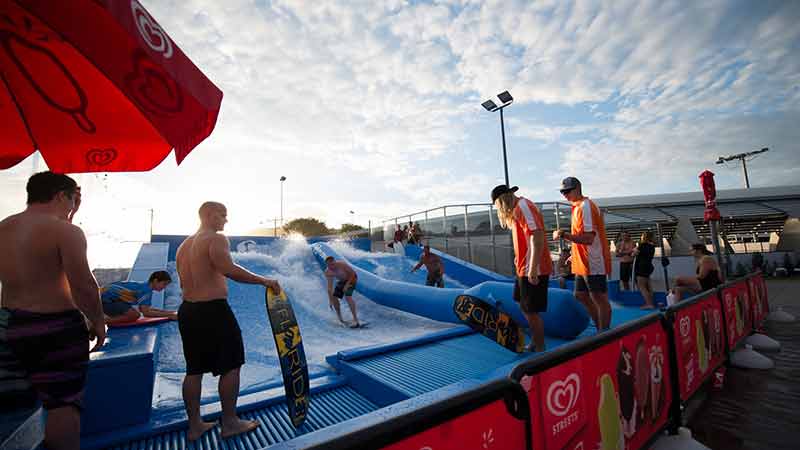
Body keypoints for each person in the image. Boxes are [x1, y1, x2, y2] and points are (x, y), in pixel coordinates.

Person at [0, 171, 105, 450]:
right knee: (63, 404)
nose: (73, 206)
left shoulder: (4, 226)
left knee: (13, 408)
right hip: (55, 328)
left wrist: (68, 216)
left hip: (8, 323)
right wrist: (98, 322)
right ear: (61, 195)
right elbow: (83, 285)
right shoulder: (66, 232)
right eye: (72, 199)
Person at [175, 201, 281, 442]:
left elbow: (184, 282)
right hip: (213, 310)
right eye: (223, 215)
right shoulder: (215, 238)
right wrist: (264, 281)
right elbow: (228, 269)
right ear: (210, 216)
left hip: (188, 311)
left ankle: (195, 426)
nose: (225, 220)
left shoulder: (184, 245)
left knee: (194, 369)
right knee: (231, 364)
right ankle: (230, 423)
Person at [492, 185, 552, 352]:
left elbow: (537, 235)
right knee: (524, 306)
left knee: (531, 310)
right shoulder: (518, 209)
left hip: (533, 268)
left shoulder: (523, 207)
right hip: (524, 268)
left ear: (502, 201)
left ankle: (540, 347)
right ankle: (535, 342)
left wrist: (532, 268)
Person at [553, 177, 613, 332]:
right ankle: (601, 327)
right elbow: (585, 237)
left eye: (567, 191)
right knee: (581, 295)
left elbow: (588, 238)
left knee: (599, 298)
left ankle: (604, 334)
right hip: (584, 261)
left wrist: (563, 235)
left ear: (577, 189)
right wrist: (575, 254)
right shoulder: (579, 207)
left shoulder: (585, 207)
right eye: (562, 191)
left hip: (593, 261)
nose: (564, 195)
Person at [101, 271, 177, 324]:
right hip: (106, 301)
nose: (164, 287)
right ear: (155, 281)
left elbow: (146, 309)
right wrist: (169, 316)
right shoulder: (146, 291)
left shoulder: (145, 286)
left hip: (106, 298)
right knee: (134, 315)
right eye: (164, 284)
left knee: (133, 312)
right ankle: (101, 322)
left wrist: (171, 312)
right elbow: (146, 313)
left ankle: (101, 321)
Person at [325, 256, 361, 327]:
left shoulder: (342, 265)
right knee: (334, 297)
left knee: (348, 296)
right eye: (329, 265)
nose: (331, 267)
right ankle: (340, 318)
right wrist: (330, 300)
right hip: (342, 281)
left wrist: (347, 285)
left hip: (352, 279)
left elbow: (353, 274)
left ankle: (355, 319)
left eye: (332, 264)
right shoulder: (328, 272)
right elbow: (329, 288)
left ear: (335, 262)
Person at [633, 231, 656, 309]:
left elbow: (634, 254)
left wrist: (635, 250)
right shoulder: (652, 246)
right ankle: (651, 302)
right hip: (649, 266)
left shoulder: (642, 245)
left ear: (644, 237)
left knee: (642, 286)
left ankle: (649, 304)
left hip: (641, 267)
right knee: (648, 285)